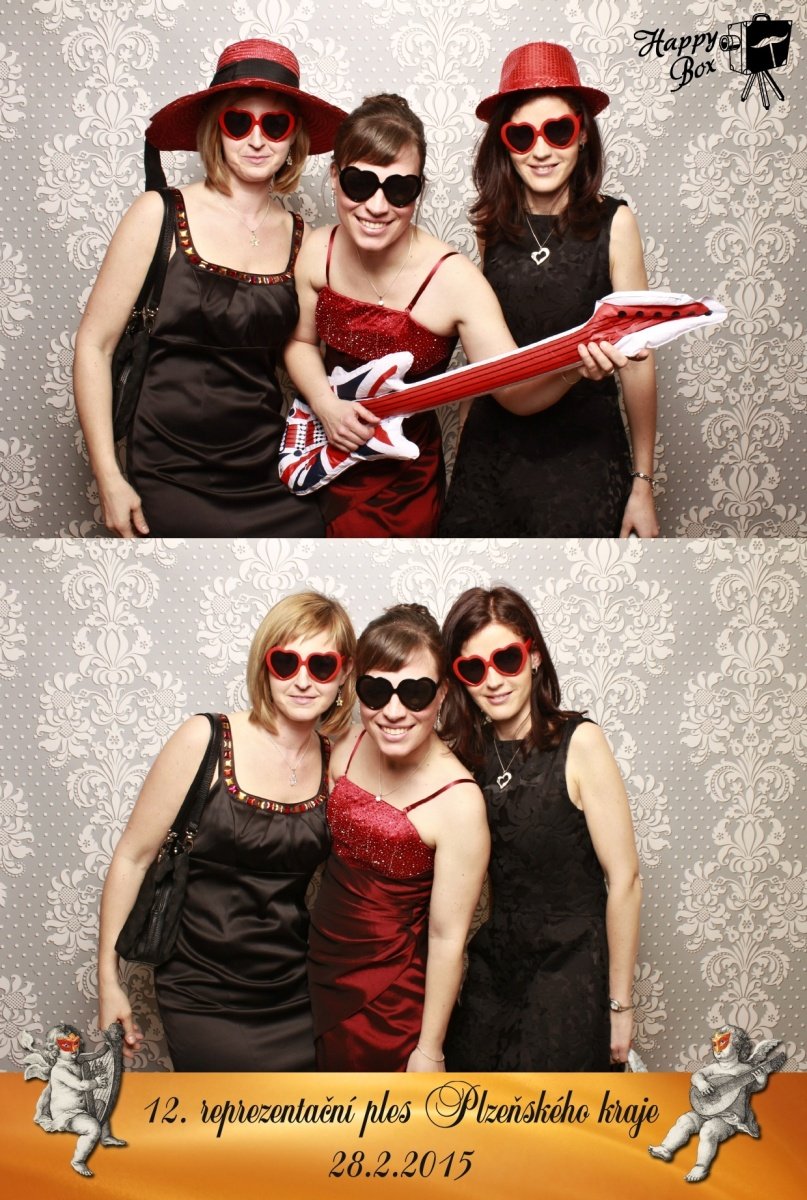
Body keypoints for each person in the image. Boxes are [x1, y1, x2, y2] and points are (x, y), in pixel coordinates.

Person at [284, 93, 637, 537]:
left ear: (420, 190)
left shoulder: (457, 281)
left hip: (401, 490)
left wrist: (575, 366)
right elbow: (300, 341)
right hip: (314, 459)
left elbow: (513, 392)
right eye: (359, 183)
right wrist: (325, 404)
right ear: (335, 177)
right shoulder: (318, 248)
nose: (376, 206)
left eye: (399, 189)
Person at [74, 39, 346, 537]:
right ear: (215, 130)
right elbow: (95, 345)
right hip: (168, 468)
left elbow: (302, 348)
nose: (257, 140)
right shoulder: (157, 213)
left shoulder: (302, 237)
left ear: (294, 139)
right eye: (239, 122)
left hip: (267, 464)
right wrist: (108, 476)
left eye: (275, 124)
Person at [97, 591, 355, 1071]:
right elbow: (132, 857)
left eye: (321, 665)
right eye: (286, 662)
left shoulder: (337, 762)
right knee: (229, 1114)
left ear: (343, 675)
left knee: (297, 1116)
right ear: (265, 666)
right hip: (200, 989)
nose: (302, 680)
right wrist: (108, 982)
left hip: (295, 988)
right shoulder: (206, 739)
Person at [439, 42, 660, 537]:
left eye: (558, 130)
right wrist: (462, 456)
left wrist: (643, 484)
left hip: (581, 454)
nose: (541, 151)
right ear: (504, 144)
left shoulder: (616, 223)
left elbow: (639, 363)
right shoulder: (491, 226)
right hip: (492, 453)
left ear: (582, 134)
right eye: (522, 135)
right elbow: (484, 355)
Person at [440, 585, 641, 1071]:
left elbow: (625, 880)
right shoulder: (467, 756)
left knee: (552, 1114)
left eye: (506, 659)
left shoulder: (580, 743)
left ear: (532, 657)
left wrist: (620, 1006)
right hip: (494, 972)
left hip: (568, 973)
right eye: (473, 669)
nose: (493, 680)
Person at [307, 604, 490, 1070]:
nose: (393, 712)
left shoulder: (460, 801)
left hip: (392, 1001)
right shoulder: (345, 746)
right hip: (317, 971)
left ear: (442, 693)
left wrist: (430, 1048)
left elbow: (447, 938)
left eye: (414, 693)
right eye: (375, 691)